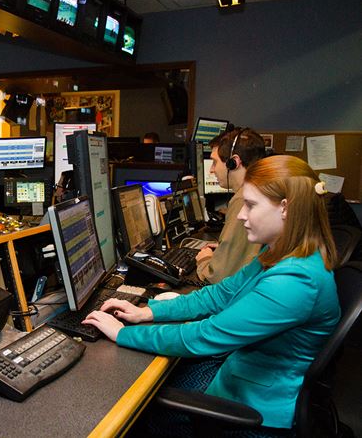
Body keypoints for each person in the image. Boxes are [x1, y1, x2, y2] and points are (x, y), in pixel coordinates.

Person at [82, 155, 340, 433]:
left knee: (135, 412)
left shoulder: (295, 281)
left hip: (254, 414)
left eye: (251, 205)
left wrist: (122, 334)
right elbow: (220, 295)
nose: (241, 214)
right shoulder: (280, 252)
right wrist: (148, 311)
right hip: (240, 376)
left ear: (285, 208)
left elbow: (205, 335)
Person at [196, 127, 266, 283]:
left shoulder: (244, 199)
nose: (212, 170)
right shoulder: (260, 188)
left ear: (234, 162)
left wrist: (204, 261)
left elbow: (218, 277)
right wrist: (226, 250)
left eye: (214, 162)